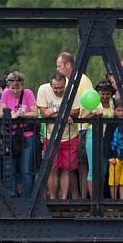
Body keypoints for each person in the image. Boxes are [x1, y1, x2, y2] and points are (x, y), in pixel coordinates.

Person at [37, 71, 81, 199]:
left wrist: (55, 112)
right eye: (55, 88)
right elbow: (44, 113)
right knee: (52, 169)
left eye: (61, 88)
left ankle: (63, 200)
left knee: (66, 170)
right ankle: (53, 199)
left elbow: (76, 112)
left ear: (65, 84)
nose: (58, 90)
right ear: (51, 85)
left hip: (70, 135)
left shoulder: (72, 90)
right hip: (51, 136)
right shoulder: (43, 89)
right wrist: (63, 114)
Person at [56, 51, 93, 198]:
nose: (57, 69)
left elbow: (89, 101)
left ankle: (82, 198)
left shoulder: (81, 79)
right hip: (72, 130)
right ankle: (76, 197)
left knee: (82, 164)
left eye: (59, 66)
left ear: (68, 65)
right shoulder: (67, 81)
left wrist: (79, 116)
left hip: (82, 127)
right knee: (71, 165)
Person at [0, 70, 38, 199]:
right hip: (12, 136)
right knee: (12, 169)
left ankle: (27, 199)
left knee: (27, 170)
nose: (15, 91)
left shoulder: (28, 93)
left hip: (27, 135)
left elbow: (35, 113)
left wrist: (22, 114)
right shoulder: (5, 94)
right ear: (9, 86)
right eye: (12, 88)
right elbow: (1, 112)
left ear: (22, 84)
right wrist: (13, 115)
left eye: (18, 87)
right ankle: (12, 198)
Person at [84, 79, 115, 198]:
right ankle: (93, 199)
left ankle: (100, 198)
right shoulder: (94, 102)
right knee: (93, 169)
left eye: (107, 93)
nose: (105, 96)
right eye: (102, 93)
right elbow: (84, 118)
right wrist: (94, 115)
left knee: (103, 169)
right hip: (94, 135)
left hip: (107, 138)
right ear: (98, 93)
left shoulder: (113, 103)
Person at [105, 99, 123, 200]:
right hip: (115, 156)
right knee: (113, 181)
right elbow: (107, 140)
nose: (121, 113)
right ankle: (113, 201)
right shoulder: (111, 123)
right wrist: (110, 156)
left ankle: (122, 200)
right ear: (115, 110)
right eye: (119, 110)